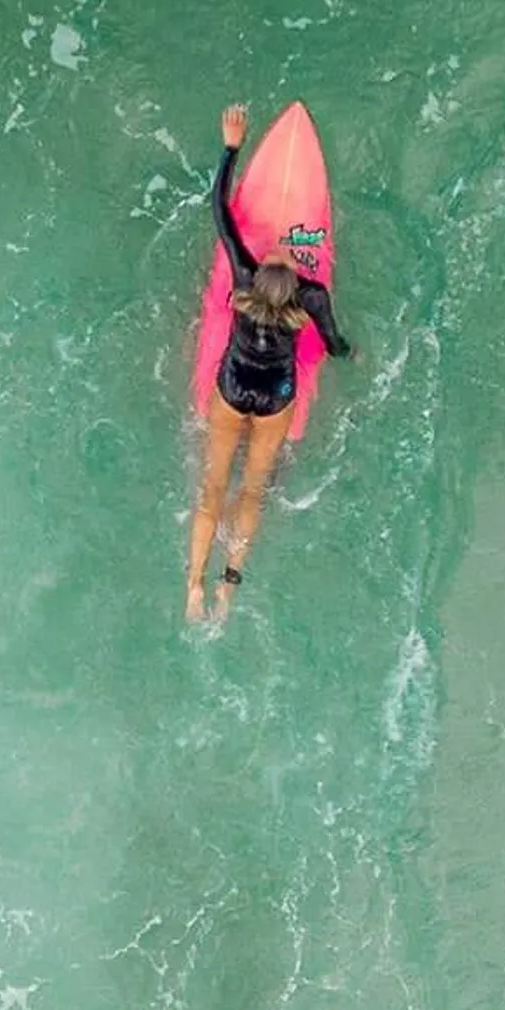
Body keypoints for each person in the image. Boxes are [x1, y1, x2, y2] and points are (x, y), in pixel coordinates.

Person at [189, 101, 350, 623]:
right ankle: (228, 589)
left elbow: (221, 212)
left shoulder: (241, 278)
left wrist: (231, 148)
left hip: (234, 388)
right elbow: (330, 342)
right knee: (253, 490)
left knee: (212, 486)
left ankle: (193, 585)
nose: (279, 248)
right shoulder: (312, 297)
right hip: (276, 398)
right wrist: (347, 351)